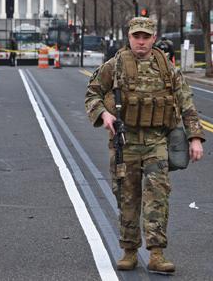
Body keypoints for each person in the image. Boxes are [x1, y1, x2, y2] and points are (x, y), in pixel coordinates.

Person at [85, 16, 205, 274]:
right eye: (136, 36)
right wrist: (103, 115)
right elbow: (92, 93)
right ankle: (129, 251)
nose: (141, 42)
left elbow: (186, 102)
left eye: (146, 37)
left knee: (157, 197)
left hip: (156, 142)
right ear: (129, 37)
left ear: (153, 38)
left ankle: (157, 253)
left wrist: (195, 137)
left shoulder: (166, 67)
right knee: (127, 197)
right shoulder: (114, 65)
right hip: (125, 142)